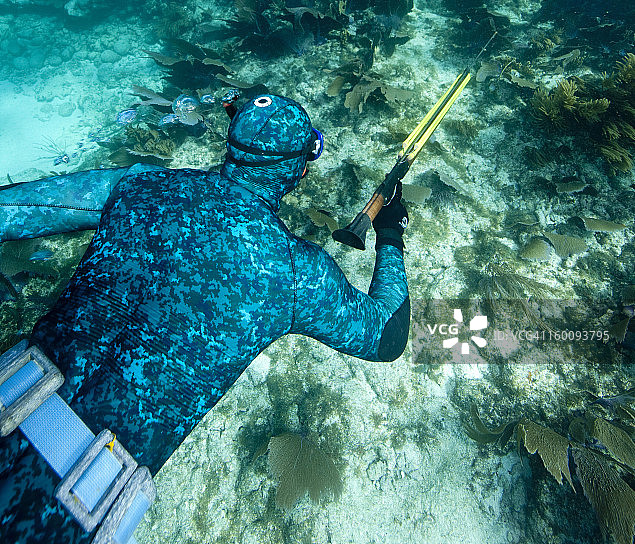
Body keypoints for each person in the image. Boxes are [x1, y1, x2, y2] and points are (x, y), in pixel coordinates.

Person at [0, 94, 409, 543]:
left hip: (11, 399)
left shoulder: (139, 184)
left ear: (229, 146)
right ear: (300, 170)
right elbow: (385, 335)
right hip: (69, 510)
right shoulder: (295, 272)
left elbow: (18, 210)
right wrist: (390, 232)